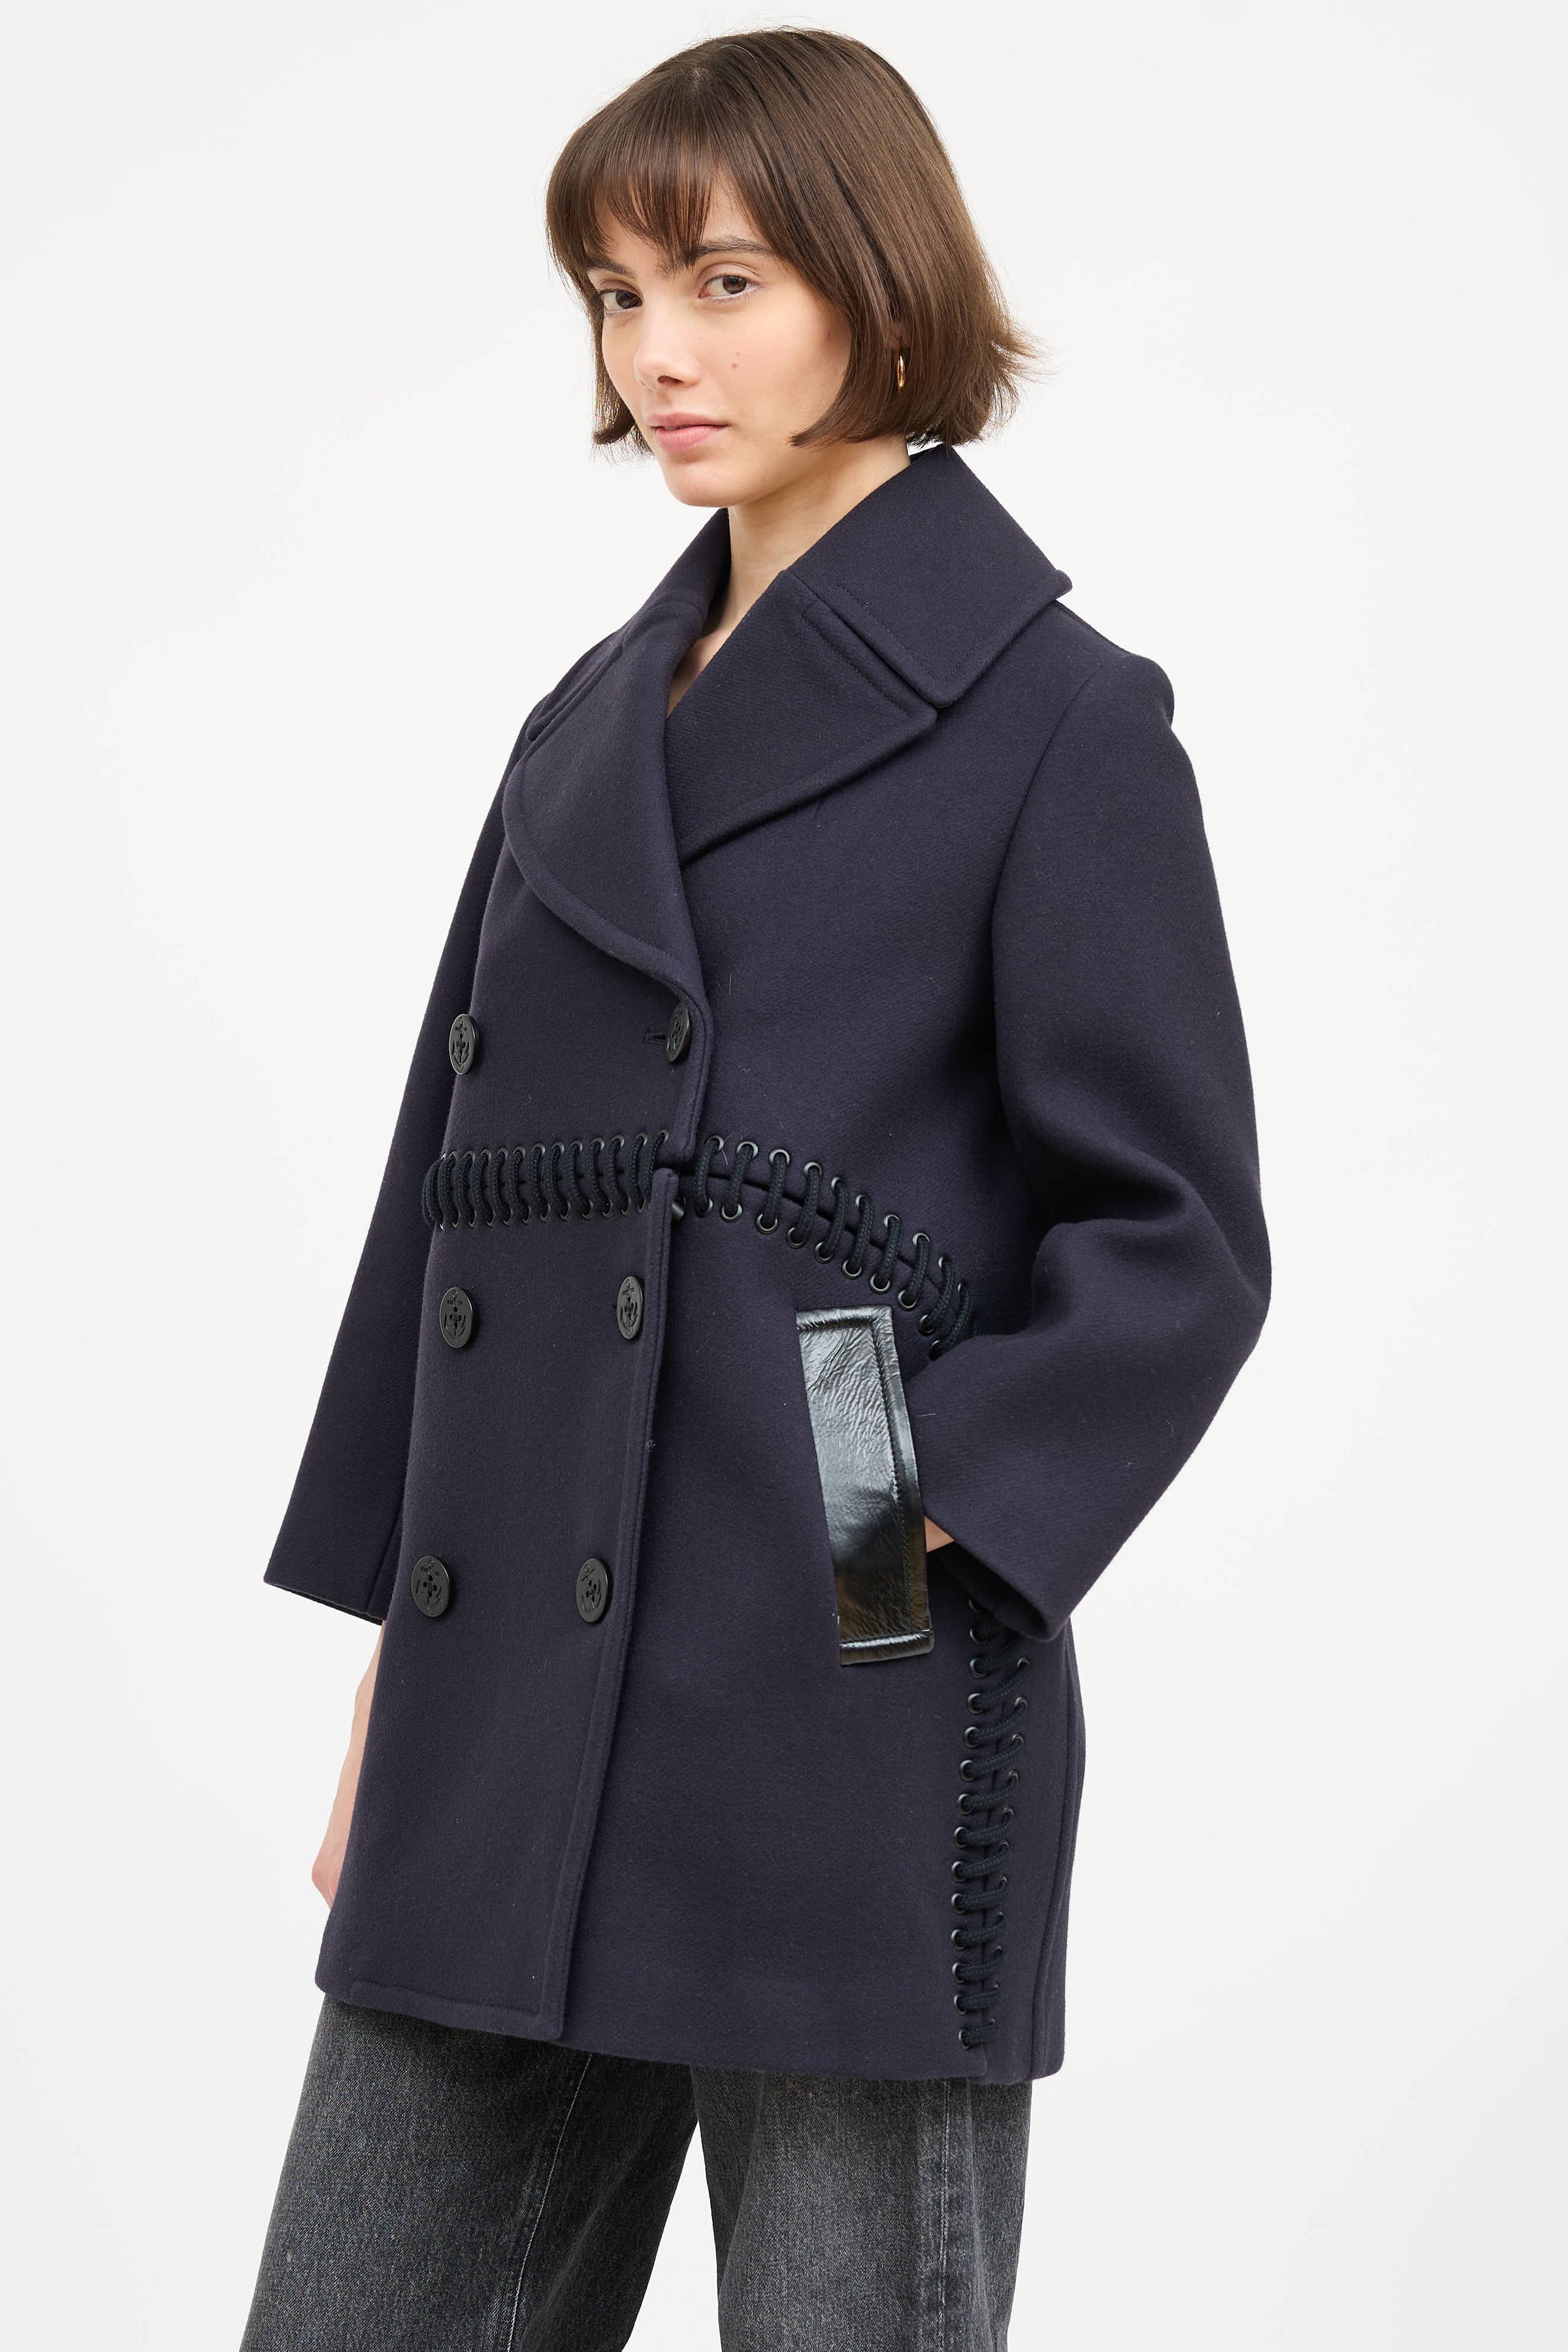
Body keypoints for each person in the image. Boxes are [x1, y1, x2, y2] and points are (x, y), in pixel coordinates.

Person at [240, 27, 1270, 2351]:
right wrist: (414, 1659)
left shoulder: (1058, 719)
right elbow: (450, 1209)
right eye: (617, 295)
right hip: (508, 1711)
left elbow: (1176, 1239)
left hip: (842, 1708)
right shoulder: (581, 731)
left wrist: (874, 1520)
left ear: (876, 287)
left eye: (721, 280)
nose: (656, 354)